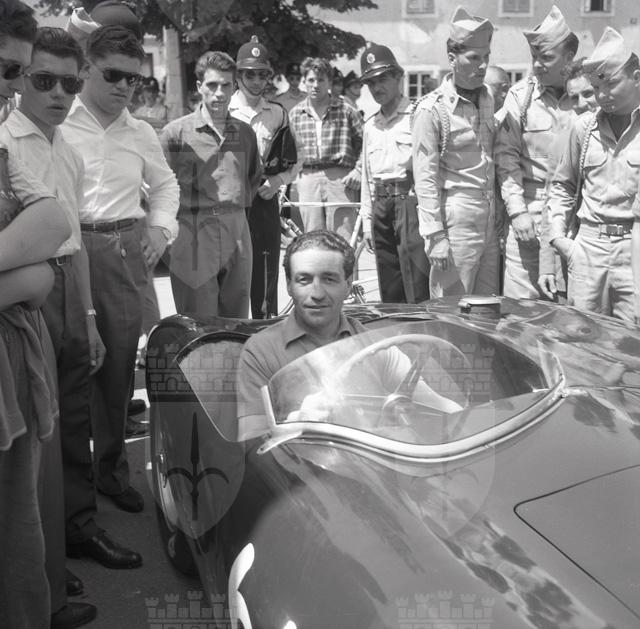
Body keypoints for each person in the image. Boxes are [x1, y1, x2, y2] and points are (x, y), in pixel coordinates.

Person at [62, 25, 179, 525]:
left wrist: (161, 229)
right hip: (66, 249)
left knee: (116, 374)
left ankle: (110, 470)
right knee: (70, 368)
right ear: (87, 69)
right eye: (113, 75)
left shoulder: (141, 132)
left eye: (134, 78)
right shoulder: (59, 121)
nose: (125, 87)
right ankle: (68, 485)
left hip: (123, 248)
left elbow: (166, 185)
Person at [236, 230, 459, 440]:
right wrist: (296, 424)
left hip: (376, 462)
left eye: (329, 279)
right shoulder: (261, 351)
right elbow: (251, 443)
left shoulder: (374, 345)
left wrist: (468, 420)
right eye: (304, 280)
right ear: (289, 286)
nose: (317, 293)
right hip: (298, 467)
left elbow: (435, 403)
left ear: (348, 284)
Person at [0, 2, 73, 626]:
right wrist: (25, 277)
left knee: (16, 517)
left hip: (11, 355)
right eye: (11, 70)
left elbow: (54, 221)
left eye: (17, 71)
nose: (14, 86)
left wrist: (36, 275)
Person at [548, 27, 640, 323]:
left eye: (610, 84)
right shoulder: (584, 128)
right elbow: (562, 185)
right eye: (596, 87)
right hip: (589, 248)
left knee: (632, 336)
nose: (602, 95)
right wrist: (558, 237)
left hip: (634, 249)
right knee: (583, 334)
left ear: (636, 77)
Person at [161, 50, 262, 317]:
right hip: (193, 229)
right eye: (212, 85)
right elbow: (160, 189)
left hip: (236, 228)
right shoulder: (175, 134)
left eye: (226, 85)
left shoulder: (245, 134)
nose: (219, 93)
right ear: (199, 86)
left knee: (236, 319)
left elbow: (252, 178)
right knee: (199, 321)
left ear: (235, 87)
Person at [412, 6, 499, 298]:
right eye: (474, 58)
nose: (483, 66)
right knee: (451, 309)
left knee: (486, 307)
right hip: (455, 218)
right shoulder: (431, 109)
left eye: (486, 57)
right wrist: (435, 235)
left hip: (488, 216)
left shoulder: (488, 98)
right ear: (452, 59)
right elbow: (425, 177)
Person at [495, 5, 578, 299]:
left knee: (570, 309)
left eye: (547, 58)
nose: (538, 65)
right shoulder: (520, 97)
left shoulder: (586, 96)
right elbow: (506, 159)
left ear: (569, 58)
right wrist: (517, 212)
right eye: (534, 58)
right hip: (529, 216)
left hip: (571, 218)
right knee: (522, 311)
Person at [229, 36, 301, 319]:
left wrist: (278, 181)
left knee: (265, 272)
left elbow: (297, 157)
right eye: (250, 74)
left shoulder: (277, 113)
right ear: (237, 76)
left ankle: (265, 331)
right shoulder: (222, 109)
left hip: (263, 198)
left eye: (262, 74)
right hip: (227, 201)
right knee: (229, 277)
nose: (257, 81)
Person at [359, 43, 429, 303]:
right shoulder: (370, 126)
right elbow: (367, 178)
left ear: (398, 77)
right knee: (388, 282)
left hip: (409, 202)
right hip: (381, 204)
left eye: (382, 79)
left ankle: (421, 325)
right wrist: (367, 223)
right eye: (371, 83)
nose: (377, 88)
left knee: (417, 280)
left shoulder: (417, 116)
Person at [537, 58, 598, 302]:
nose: (581, 104)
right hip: (574, 254)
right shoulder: (564, 140)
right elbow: (552, 201)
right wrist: (547, 265)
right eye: (574, 97)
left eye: (588, 93)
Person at [289, 57, 363, 232]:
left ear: (329, 82)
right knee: (312, 236)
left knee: (342, 235)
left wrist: (359, 170)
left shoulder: (346, 111)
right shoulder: (295, 114)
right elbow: (289, 151)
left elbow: (365, 144)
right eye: (311, 80)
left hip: (340, 178)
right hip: (307, 178)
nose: (315, 85)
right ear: (304, 82)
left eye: (321, 80)